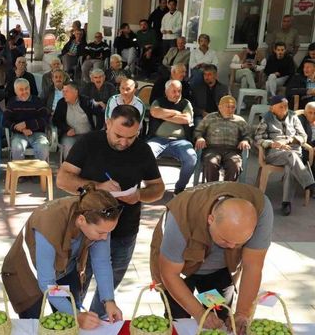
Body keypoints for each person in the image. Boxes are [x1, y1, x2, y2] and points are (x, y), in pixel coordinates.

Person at [56, 105, 165, 316]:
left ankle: (99, 319)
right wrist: (96, 186)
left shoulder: (142, 150)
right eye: (118, 135)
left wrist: (139, 195)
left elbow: (158, 188)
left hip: (125, 230)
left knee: (109, 286)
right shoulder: (88, 143)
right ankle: (75, 318)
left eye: (131, 137)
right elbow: (63, 179)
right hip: (87, 230)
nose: (124, 142)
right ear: (108, 123)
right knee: (79, 280)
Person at [150, 182, 273, 335]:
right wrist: (199, 313)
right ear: (210, 219)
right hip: (180, 271)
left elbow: (252, 266)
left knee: (220, 317)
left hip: (219, 270)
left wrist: (242, 313)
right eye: (225, 240)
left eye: (239, 243)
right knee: (179, 320)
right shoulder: (181, 215)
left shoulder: (261, 209)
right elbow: (169, 274)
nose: (232, 246)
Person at [2, 185, 123, 329]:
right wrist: (76, 315)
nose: (105, 238)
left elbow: (102, 262)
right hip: (26, 273)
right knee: (33, 325)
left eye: (108, 233)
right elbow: (46, 282)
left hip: (65, 268)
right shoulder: (48, 221)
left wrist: (109, 300)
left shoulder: (99, 221)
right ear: (81, 220)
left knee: (69, 324)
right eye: (101, 233)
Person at [254, 96, 315, 215]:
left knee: (290, 166)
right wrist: (272, 144)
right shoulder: (266, 118)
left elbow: (303, 136)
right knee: (290, 156)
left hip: (294, 152)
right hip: (275, 153)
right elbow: (257, 138)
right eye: (281, 106)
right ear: (272, 108)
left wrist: (289, 141)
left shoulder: (293, 117)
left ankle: (286, 203)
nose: (284, 109)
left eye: (286, 106)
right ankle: (309, 183)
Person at [148, 80, 197, 195]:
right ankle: (153, 186)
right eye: (174, 91)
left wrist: (164, 116)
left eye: (179, 91)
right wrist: (176, 113)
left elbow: (186, 119)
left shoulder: (185, 103)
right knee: (146, 154)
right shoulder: (158, 101)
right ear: (166, 91)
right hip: (157, 140)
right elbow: (155, 112)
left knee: (191, 158)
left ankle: (180, 188)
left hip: (180, 141)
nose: (177, 93)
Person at [194, 96, 251, 182]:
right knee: (211, 163)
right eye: (228, 106)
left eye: (233, 107)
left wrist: (245, 140)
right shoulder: (210, 118)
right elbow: (198, 131)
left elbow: (248, 134)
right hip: (212, 149)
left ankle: (227, 190)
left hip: (232, 151)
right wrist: (199, 138)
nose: (230, 110)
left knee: (234, 165)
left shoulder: (240, 121)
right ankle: (213, 188)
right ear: (220, 107)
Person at [4, 78, 50, 162]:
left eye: (26, 88)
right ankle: (20, 173)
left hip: (37, 134)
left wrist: (27, 124)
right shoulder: (12, 102)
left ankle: (39, 173)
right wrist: (21, 129)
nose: (24, 92)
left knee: (43, 148)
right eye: (21, 90)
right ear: (15, 91)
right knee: (17, 148)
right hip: (19, 135)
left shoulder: (37, 101)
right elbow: (6, 121)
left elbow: (45, 119)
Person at [53, 83, 96, 159]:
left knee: (92, 150)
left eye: (67, 91)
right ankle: (69, 169)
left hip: (87, 135)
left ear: (75, 92)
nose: (64, 94)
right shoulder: (61, 103)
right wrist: (67, 128)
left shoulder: (86, 101)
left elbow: (100, 114)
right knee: (68, 148)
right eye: (63, 91)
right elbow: (56, 120)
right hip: (69, 136)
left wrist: (97, 132)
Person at [298, 101, 315, 174]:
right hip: (304, 148)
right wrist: (311, 149)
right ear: (305, 113)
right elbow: (297, 138)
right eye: (310, 113)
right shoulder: (301, 120)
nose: (312, 116)